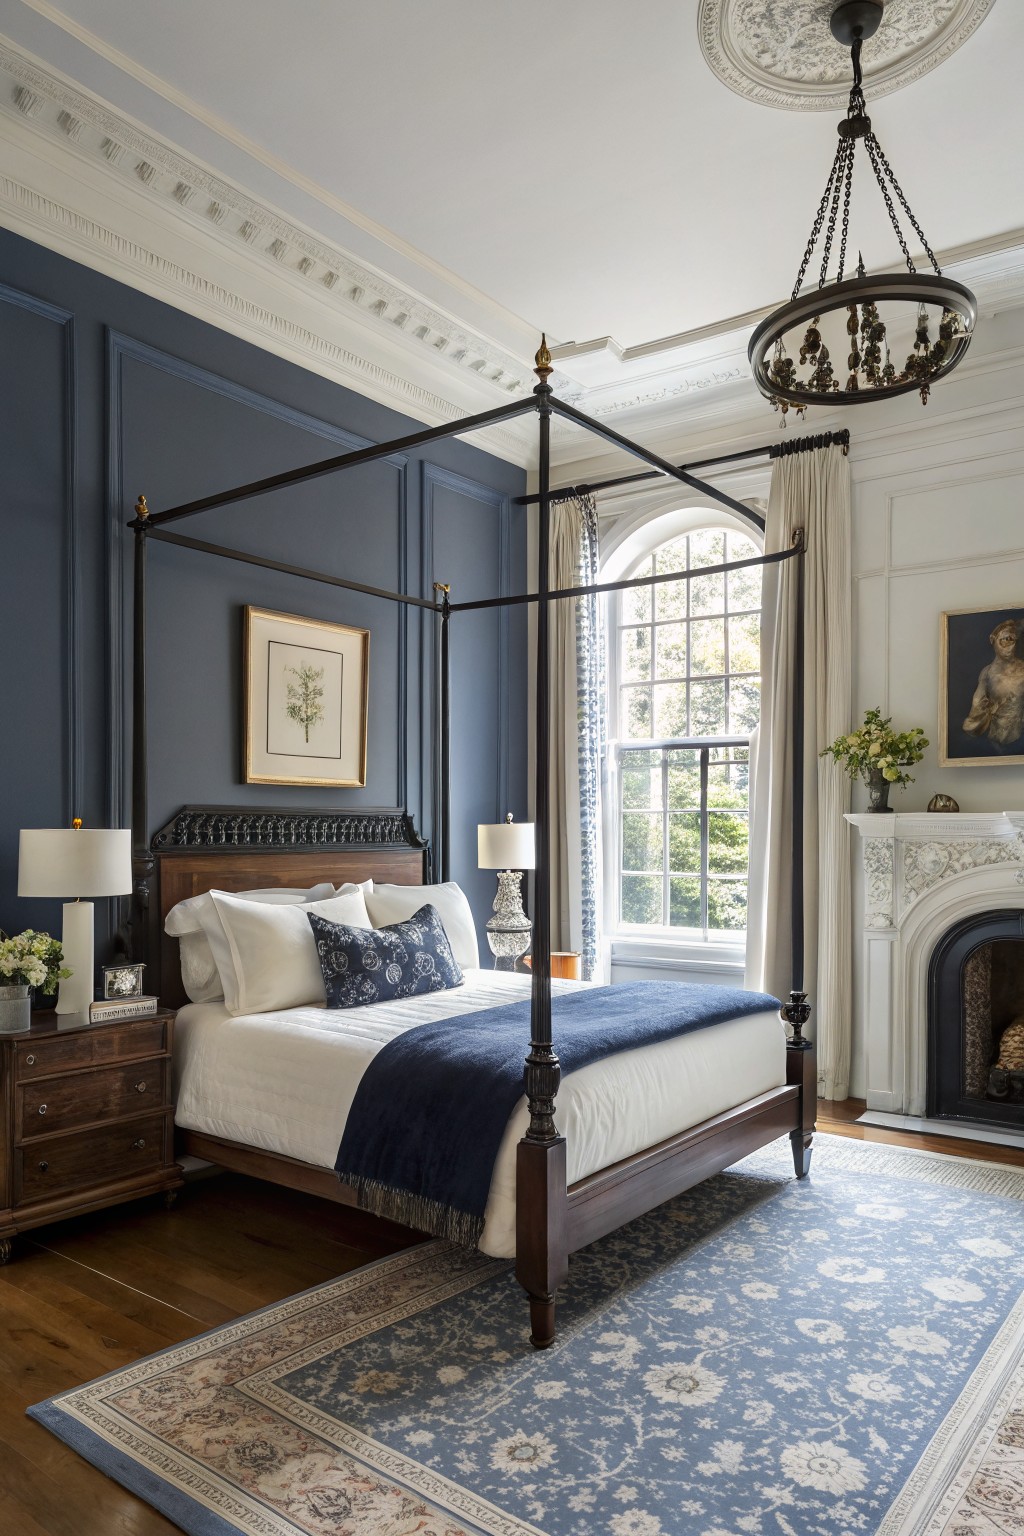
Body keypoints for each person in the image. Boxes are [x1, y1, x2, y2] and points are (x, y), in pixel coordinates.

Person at [962, 618, 1024, 748]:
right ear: (993, 639)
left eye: (1013, 640)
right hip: (995, 738)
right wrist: (983, 710)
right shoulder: (987, 672)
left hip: (1019, 737)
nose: (1010, 647)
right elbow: (976, 710)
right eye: (1005, 640)